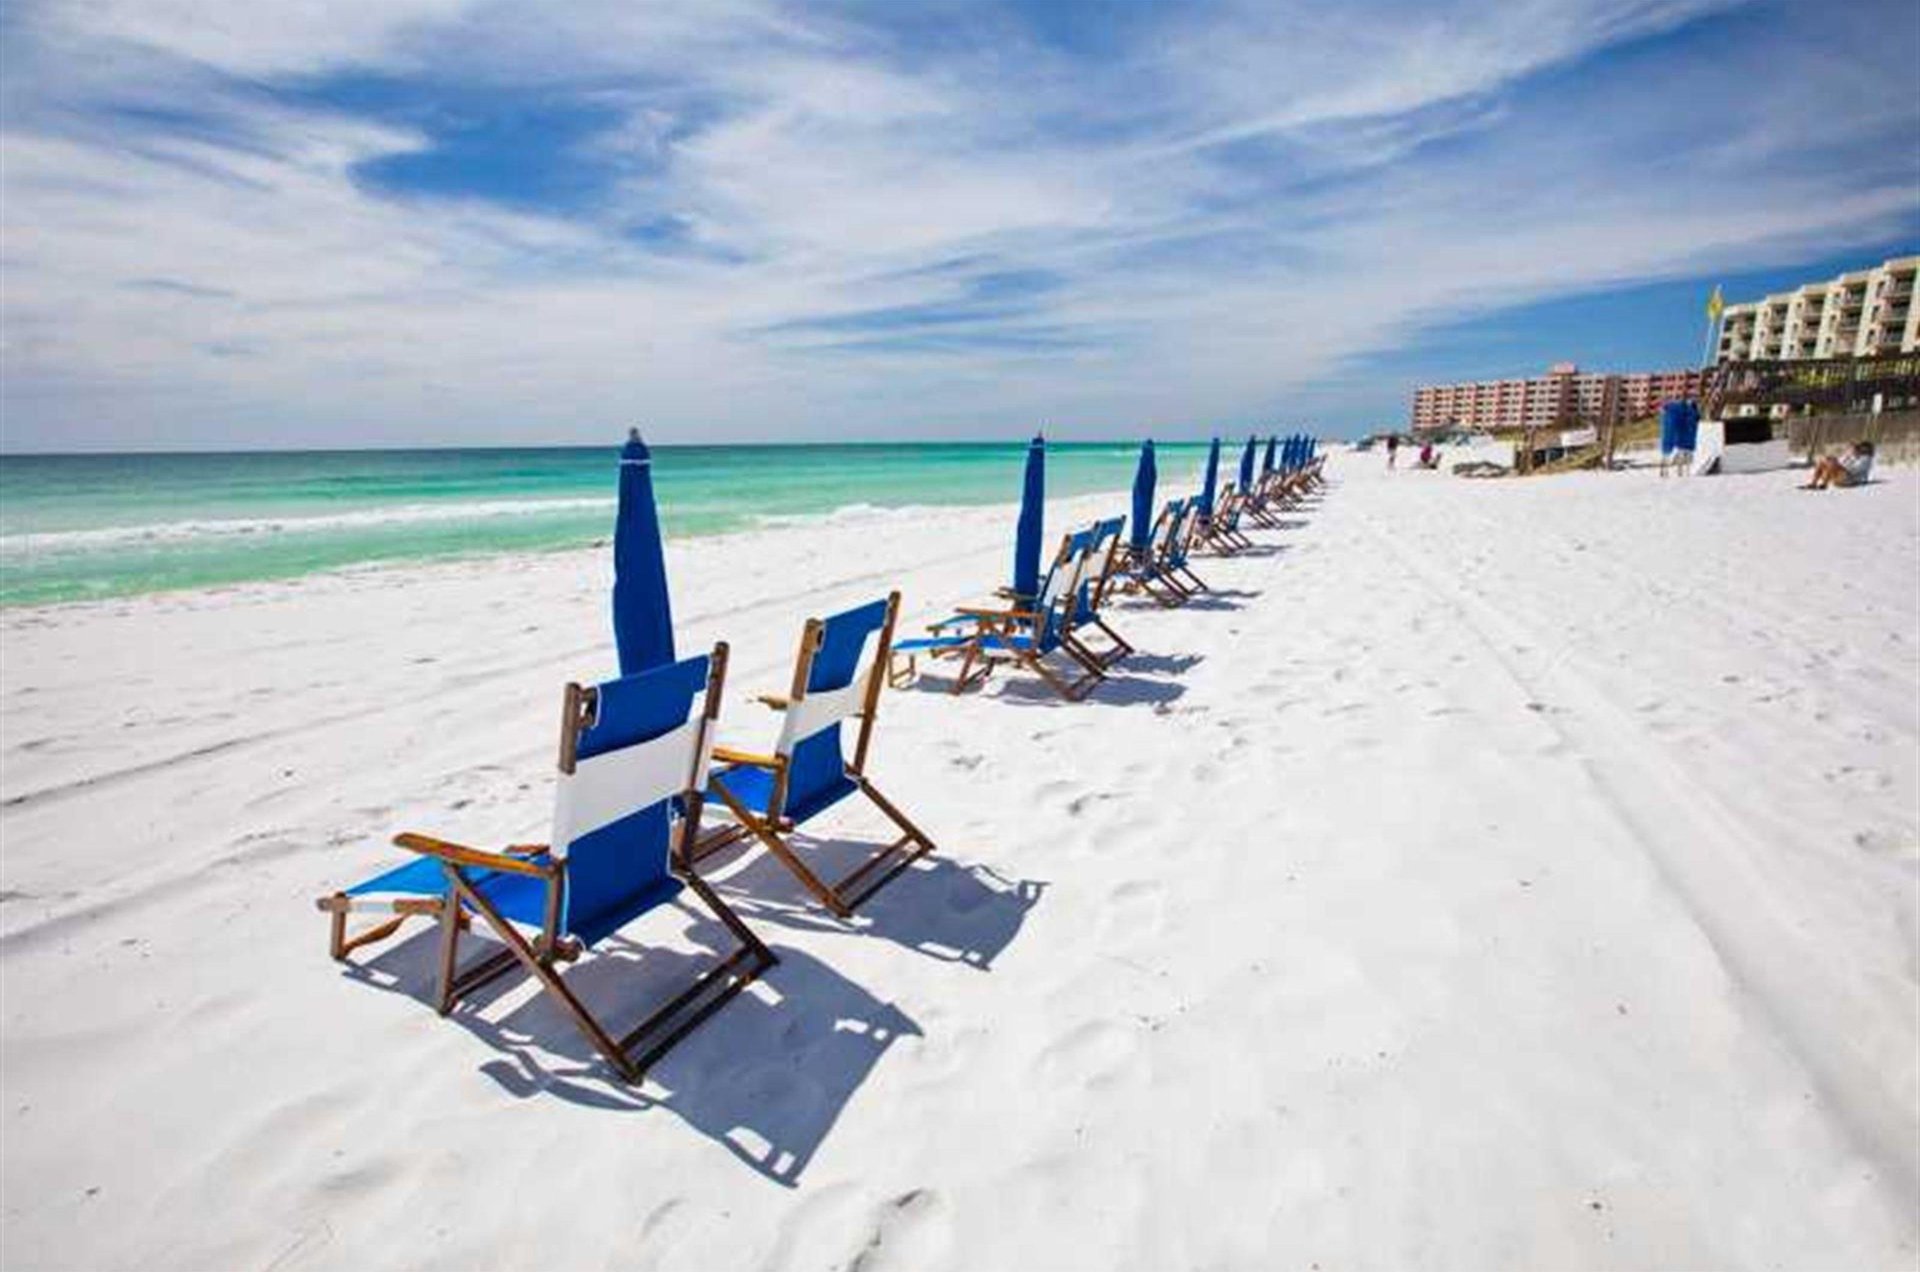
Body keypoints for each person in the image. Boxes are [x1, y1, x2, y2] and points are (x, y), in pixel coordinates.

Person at [1802, 440, 1875, 490]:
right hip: (1842, 476)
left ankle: (1824, 484)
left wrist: (1838, 465)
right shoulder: (1850, 456)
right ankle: (1813, 483)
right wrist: (1832, 459)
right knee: (1822, 461)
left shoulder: (1866, 459)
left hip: (1852, 479)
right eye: (1851, 449)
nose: (1852, 451)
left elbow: (1854, 470)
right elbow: (1840, 461)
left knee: (1831, 464)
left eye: (1854, 449)